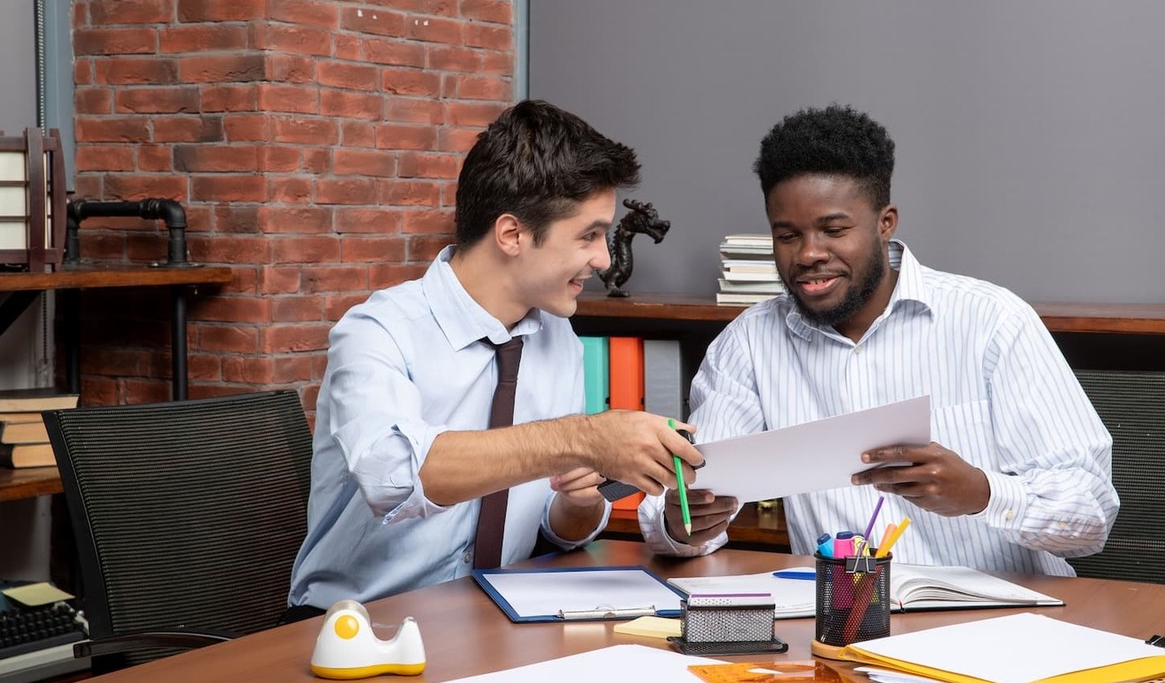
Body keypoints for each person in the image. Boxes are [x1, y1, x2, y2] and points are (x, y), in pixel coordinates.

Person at [639, 103, 1118, 578]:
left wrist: (982, 493)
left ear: (885, 222)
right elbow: (680, 507)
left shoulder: (993, 321)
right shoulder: (748, 343)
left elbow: (1092, 515)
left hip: (1003, 613)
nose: (808, 254)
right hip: (844, 615)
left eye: (833, 230)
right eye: (787, 235)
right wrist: (682, 524)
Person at [288, 100, 702, 616]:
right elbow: (393, 477)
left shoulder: (559, 338)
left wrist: (576, 502)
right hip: (361, 627)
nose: (603, 259)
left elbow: (554, 525)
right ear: (512, 235)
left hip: (497, 618)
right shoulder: (377, 331)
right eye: (589, 235)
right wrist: (584, 438)